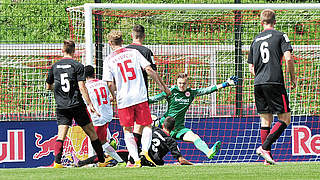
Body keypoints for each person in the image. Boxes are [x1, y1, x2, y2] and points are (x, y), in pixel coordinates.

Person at [102, 30, 171, 167]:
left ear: (110, 43)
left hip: (124, 99)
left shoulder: (109, 59)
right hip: (140, 96)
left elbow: (109, 83)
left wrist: (113, 95)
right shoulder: (134, 53)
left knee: (127, 129)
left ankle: (136, 159)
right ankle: (144, 151)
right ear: (123, 41)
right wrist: (162, 86)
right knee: (147, 124)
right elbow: (149, 70)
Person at [149, 73, 238, 159]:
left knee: (194, 137)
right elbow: (155, 99)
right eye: (179, 83)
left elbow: (207, 90)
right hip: (165, 126)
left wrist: (225, 84)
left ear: (187, 83)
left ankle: (208, 152)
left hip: (179, 128)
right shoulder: (171, 91)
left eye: (184, 83)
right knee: (153, 142)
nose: (181, 85)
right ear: (176, 82)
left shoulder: (191, 93)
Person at [247, 9, 296, 165]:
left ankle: (267, 159)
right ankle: (264, 147)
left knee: (265, 119)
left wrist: (261, 77)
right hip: (274, 81)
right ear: (275, 22)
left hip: (258, 82)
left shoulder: (255, 40)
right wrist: (292, 78)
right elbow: (288, 58)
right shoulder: (281, 36)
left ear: (261, 22)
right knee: (285, 118)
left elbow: (251, 67)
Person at [46, 40, 105, 168]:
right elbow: (82, 87)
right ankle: (102, 161)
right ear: (74, 51)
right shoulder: (77, 66)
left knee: (61, 134)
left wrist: (58, 90)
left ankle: (57, 162)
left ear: (62, 50)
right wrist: (90, 104)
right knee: (92, 133)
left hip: (62, 106)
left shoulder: (54, 66)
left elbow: (48, 86)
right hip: (77, 105)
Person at [72, 65, 125, 167]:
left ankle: (120, 161)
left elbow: (84, 102)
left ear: (83, 76)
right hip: (107, 114)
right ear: (94, 74)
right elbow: (110, 94)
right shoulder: (103, 83)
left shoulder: (85, 87)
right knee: (101, 139)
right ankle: (108, 147)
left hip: (97, 116)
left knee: (100, 142)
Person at [126, 24, 167, 153]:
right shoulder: (146, 52)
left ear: (132, 35)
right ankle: (137, 155)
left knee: (128, 128)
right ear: (144, 36)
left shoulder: (124, 52)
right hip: (139, 93)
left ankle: (133, 155)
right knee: (143, 124)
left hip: (124, 94)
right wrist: (163, 87)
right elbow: (152, 70)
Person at [117, 116, 193, 166]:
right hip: (154, 161)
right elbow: (181, 160)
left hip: (140, 156)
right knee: (161, 162)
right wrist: (192, 164)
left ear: (162, 125)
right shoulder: (171, 141)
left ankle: (128, 159)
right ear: (173, 128)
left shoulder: (152, 129)